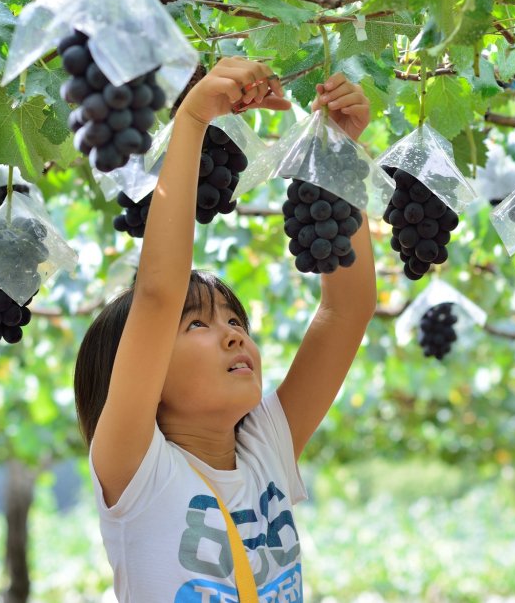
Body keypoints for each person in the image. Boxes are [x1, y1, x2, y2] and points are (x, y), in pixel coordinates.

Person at [73, 57, 376, 602]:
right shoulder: (135, 472)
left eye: (235, 320)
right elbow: (158, 294)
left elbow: (346, 310)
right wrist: (191, 121)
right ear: (137, 371)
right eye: (197, 324)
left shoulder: (262, 451)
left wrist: (339, 152)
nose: (235, 335)